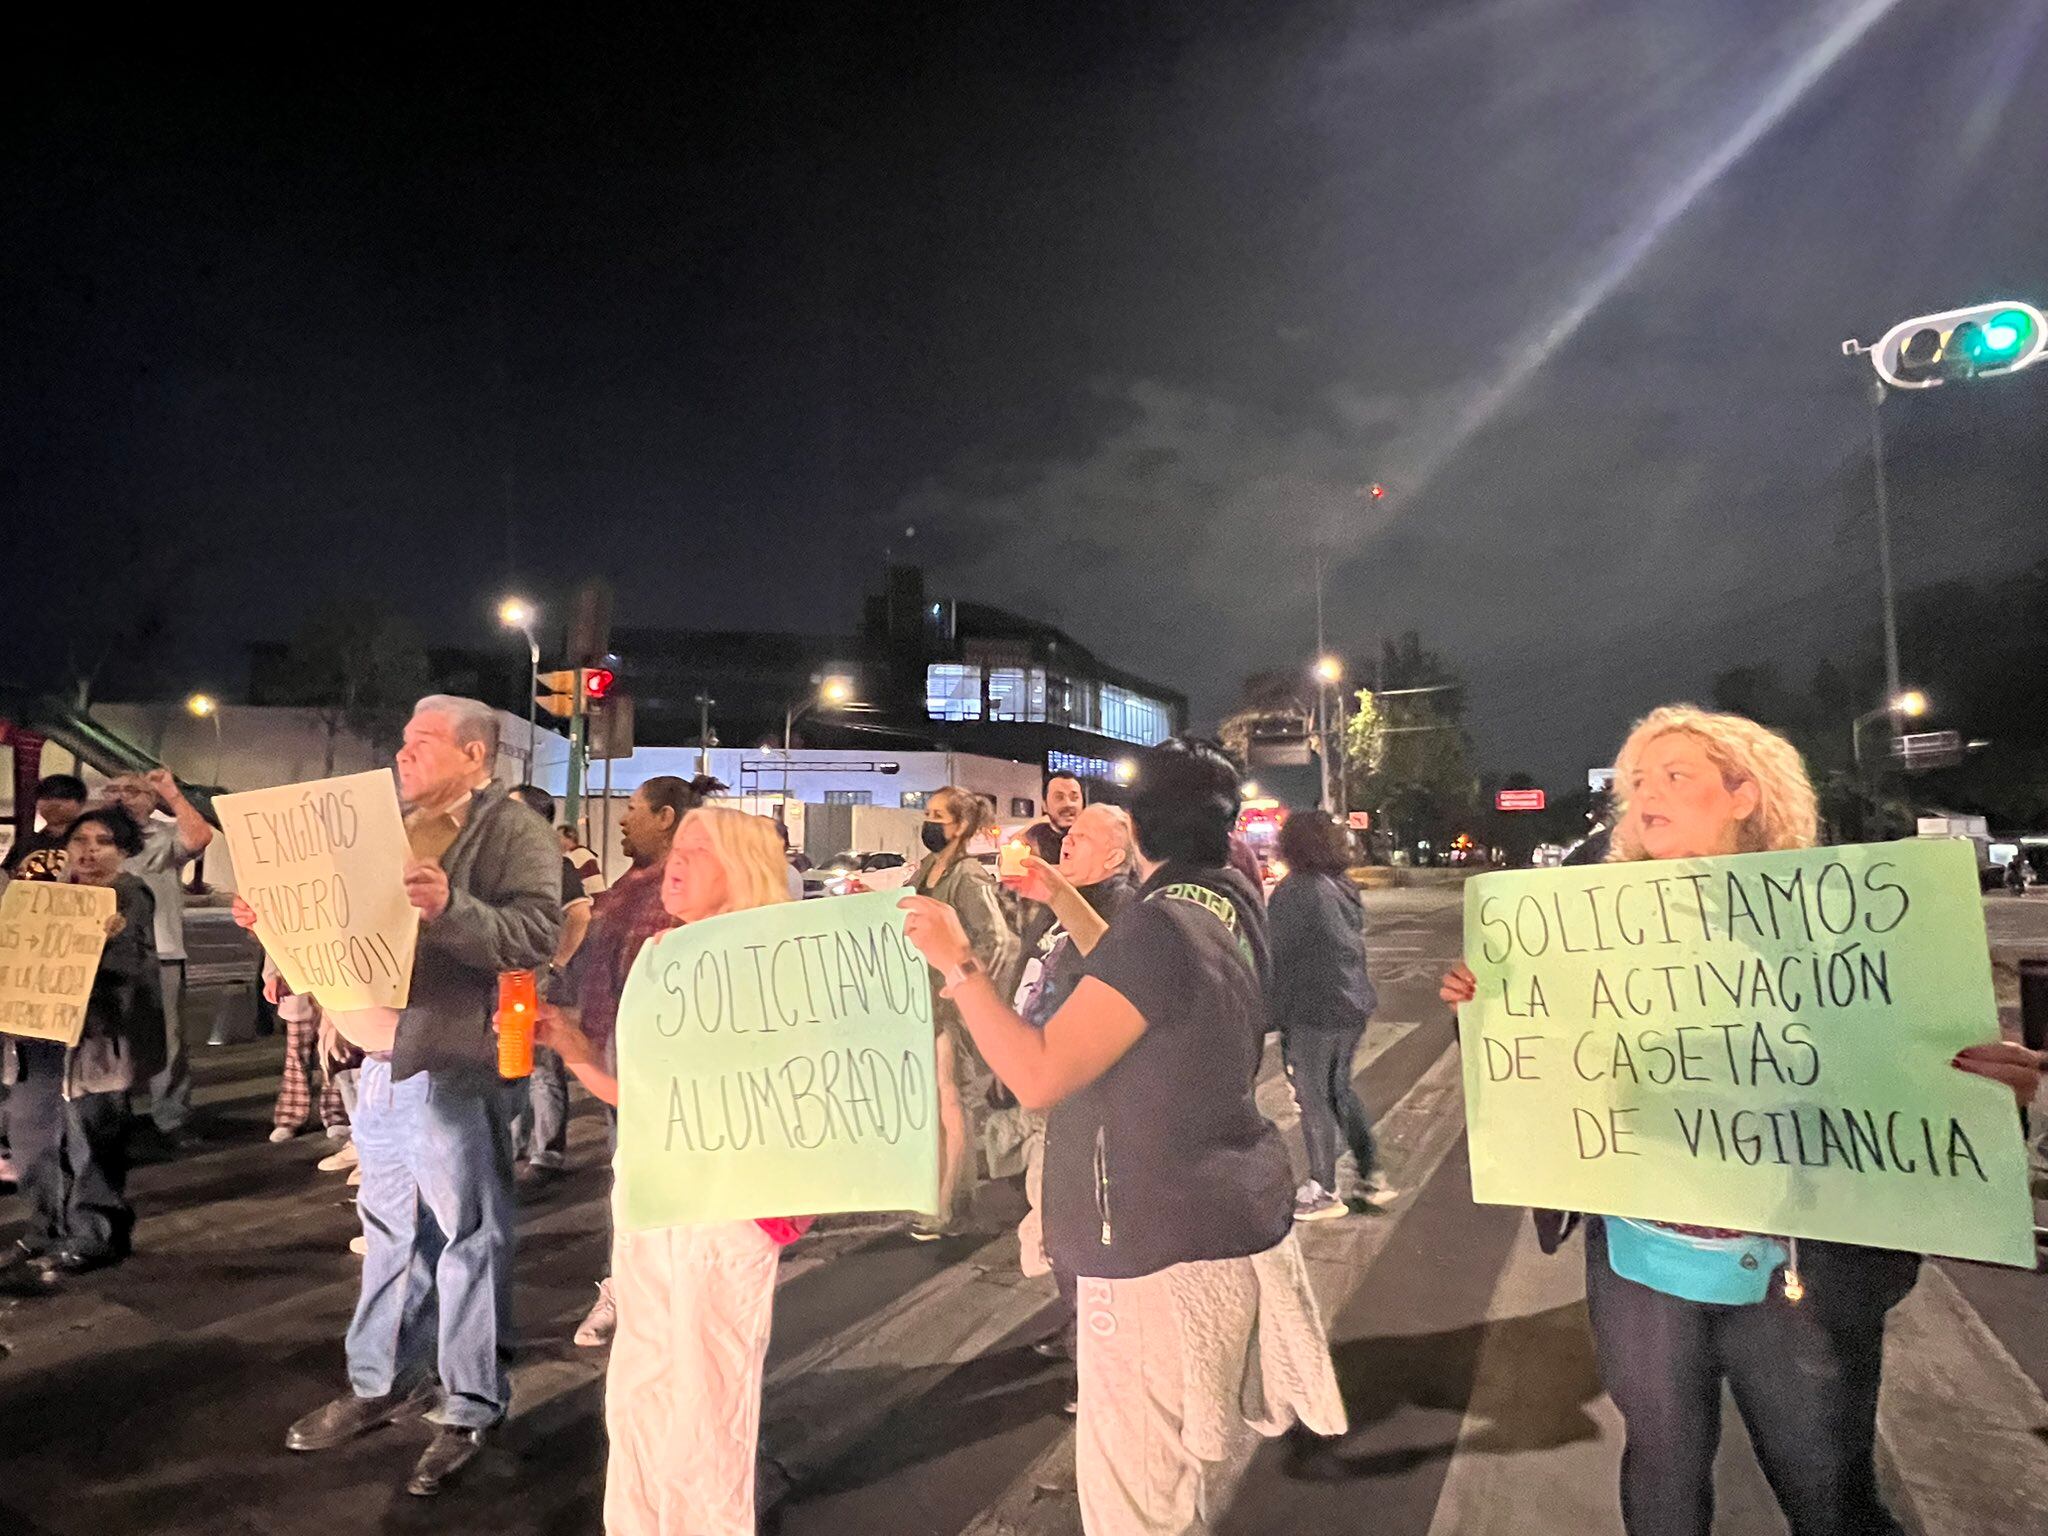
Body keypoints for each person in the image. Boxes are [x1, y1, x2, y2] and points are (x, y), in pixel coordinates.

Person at [1440, 706, 2048, 1536]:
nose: (1645, 796)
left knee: (1827, 1495)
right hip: (1640, 1263)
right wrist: (1484, 1011)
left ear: (1743, 794)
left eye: (1674, 777)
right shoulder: (1587, 928)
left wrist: (1985, 1098)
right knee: (1660, 1466)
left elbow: (1908, 1083)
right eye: (1636, 784)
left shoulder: (1846, 925)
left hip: (1796, 1275)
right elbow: (1542, 1064)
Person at [900, 738, 1343, 1535]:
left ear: (1138, 832)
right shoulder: (1228, 902)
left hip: (1147, 1241)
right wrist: (1065, 893)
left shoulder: (1159, 930)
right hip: (1209, 1216)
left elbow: (1038, 1074)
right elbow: (1139, 978)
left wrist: (959, 966)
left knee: (1134, 1497)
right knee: (1164, 1484)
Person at [263, 695, 563, 1498]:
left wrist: (451, 907)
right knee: (390, 1227)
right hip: (371, 1062)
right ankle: (381, 1381)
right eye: (403, 740)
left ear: (475, 754)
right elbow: (339, 922)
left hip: (449, 1060)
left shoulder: (511, 832)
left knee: (466, 1233)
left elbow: (538, 935)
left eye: (423, 742)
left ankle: (468, 1404)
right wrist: (280, 933)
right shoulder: (380, 827)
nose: (404, 753)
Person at [536, 807, 813, 1536]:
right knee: (639, 1387)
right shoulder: (660, 954)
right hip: (650, 1195)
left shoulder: (775, 964)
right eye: (677, 848)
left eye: (700, 849)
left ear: (744, 869)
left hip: (723, 1206)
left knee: (704, 1400)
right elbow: (650, 1099)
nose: (677, 862)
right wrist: (575, 1052)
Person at [548, 773, 705, 1346]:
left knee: (673, 1184)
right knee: (630, 1179)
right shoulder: (629, 881)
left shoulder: (688, 886)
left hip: (673, 1064)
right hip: (618, 1055)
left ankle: (671, 1297)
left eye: (633, 808)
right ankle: (628, 1286)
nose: (621, 818)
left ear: (665, 817)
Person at [0, 807, 165, 1282]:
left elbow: (128, 963)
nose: (89, 851)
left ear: (124, 851)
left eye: (104, 842)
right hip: (36, 1039)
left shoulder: (129, 895)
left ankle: (93, 1235)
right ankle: (45, 1227)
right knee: (33, 1142)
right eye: (80, 841)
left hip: (93, 1043)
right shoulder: (41, 895)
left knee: (90, 1143)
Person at [1012, 802, 1138, 1365]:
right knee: (1056, 1214)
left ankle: (1097, 1350)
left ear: (1115, 854)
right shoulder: (1062, 904)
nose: (1068, 841)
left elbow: (1113, 967)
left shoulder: (1120, 907)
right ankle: (1079, 1321)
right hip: (1050, 1082)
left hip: (1087, 1093)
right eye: (1069, 833)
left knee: (1075, 1218)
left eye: (1083, 837)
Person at [909, 785, 1020, 1240]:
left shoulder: (968, 876)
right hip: (925, 1004)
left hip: (949, 1008)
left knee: (953, 1103)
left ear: (960, 826)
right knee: (935, 1103)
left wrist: (965, 984)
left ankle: (952, 1206)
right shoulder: (926, 870)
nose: (930, 821)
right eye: (928, 812)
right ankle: (937, 1194)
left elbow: (998, 940)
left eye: (939, 815)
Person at [1269, 810, 1388, 1221]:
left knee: (1312, 1095)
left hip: (1313, 1008)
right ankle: (1372, 1173)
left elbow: (1275, 956)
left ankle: (1323, 1188)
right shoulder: (1342, 887)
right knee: (1339, 1090)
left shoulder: (1294, 891)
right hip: (1350, 1003)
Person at [103, 769, 214, 1142]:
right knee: (108, 1038)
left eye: (133, 790)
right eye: (113, 789)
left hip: (160, 952)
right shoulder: (93, 837)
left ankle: (171, 1118)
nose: (121, 796)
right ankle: (111, 1116)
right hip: (102, 956)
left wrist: (173, 793)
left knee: (168, 1041)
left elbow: (200, 837)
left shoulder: (163, 836)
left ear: (152, 801)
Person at [507, 784, 596, 1182]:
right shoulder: (501, 864)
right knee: (510, 1062)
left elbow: (579, 915)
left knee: (543, 1064)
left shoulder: (554, 865)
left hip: (539, 980)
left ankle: (547, 1150)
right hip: (505, 978)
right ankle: (514, 1144)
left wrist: (556, 963)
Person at [2, 772, 88, 881]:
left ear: (81, 803)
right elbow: (6, 874)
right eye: (47, 797)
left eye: (64, 798)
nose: (54, 803)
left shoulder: (87, 841)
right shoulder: (27, 842)